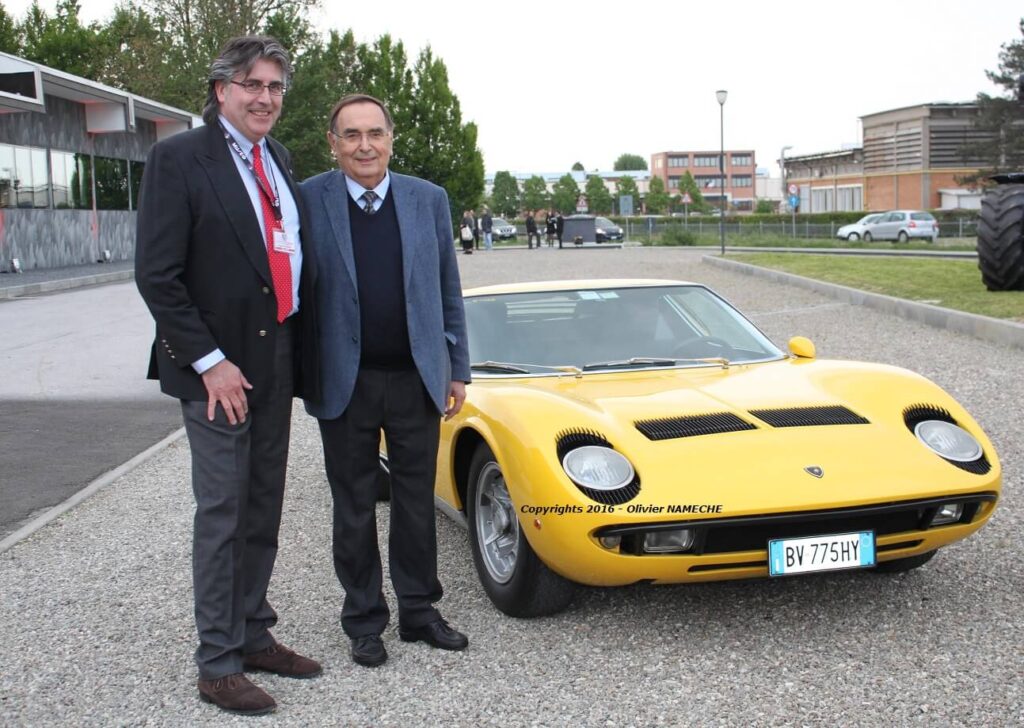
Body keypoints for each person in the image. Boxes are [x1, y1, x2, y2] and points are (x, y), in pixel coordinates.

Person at [134, 35, 321, 717]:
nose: (264, 97)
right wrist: (210, 363)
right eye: (251, 84)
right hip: (218, 366)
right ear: (221, 91)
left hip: (276, 356)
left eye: (274, 86)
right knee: (223, 510)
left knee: (264, 501)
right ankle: (217, 664)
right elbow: (158, 274)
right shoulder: (180, 159)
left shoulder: (279, 159)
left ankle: (252, 632)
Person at [299, 93, 472, 669]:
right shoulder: (308, 201)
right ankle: (364, 619)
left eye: (375, 133)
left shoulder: (428, 200)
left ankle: (419, 612)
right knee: (352, 506)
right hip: (343, 383)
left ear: (391, 137)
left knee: (416, 503)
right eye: (352, 135)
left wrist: (458, 370)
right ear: (334, 143)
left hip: (415, 379)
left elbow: (449, 289)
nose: (365, 145)